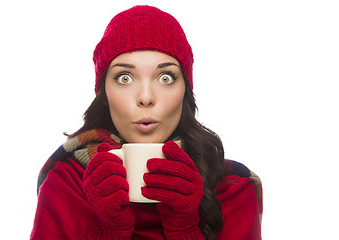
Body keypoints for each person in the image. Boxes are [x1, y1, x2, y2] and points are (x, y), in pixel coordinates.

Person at [30, 5, 263, 240]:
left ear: (185, 91)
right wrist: (109, 232)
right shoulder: (65, 183)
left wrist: (185, 231)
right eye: (124, 78)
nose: (146, 97)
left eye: (165, 77)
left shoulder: (233, 187)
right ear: (104, 94)